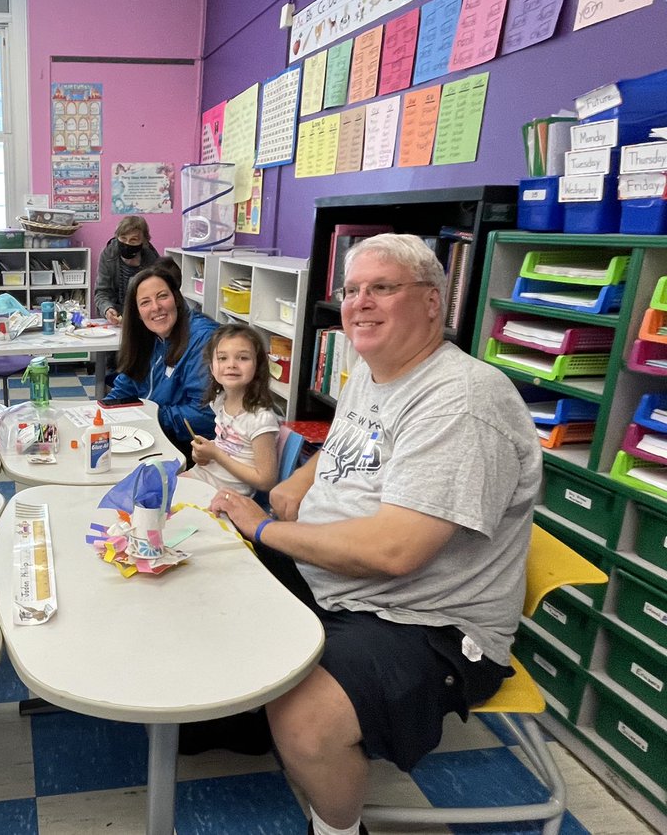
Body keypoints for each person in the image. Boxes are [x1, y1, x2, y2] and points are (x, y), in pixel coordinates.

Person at [208, 234, 542, 835]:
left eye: (382, 287)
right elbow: (350, 439)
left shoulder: (461, 403)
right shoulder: (372, 369)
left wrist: (265, 528)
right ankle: (242, 722)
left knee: (305, 720)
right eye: (352, 290)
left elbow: (394, 551)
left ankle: (336, 827)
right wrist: (304, 476)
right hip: (337, 579)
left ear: (433, 302)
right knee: (209, 574)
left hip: (427, 620)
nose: (360, 303)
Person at [105, 260, 217, 462]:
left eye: (162, 296)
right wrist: (101, 412)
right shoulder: (152, 337)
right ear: (137, 314)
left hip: (194, 449)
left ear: (176, 298)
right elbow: (127, 385)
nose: (155, 307)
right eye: (145, 302)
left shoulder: (202, 339)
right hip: (155, 434)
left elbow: (206, 416)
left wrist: (148, 417)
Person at [183, 323, 279, 496]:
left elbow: (266, 480)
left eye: (243, 358)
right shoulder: (220, 401)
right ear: (212, 368)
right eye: (222, 358)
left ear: (258, 367)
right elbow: (226, 447)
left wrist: (216, 454)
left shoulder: (260, 419)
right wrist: (202, 455)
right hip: (203, 478)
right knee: (154, 489)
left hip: (227, 496)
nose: (232, 364)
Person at [94, 215, 159, 326]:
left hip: (143, 319)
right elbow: (101, 292)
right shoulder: (108, 254)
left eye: (133, 240)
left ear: (143, 242)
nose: (127, 243)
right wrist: (107, 309)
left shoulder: (152, 259)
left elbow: (155, 295)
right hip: (114, 319)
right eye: (123, 238)